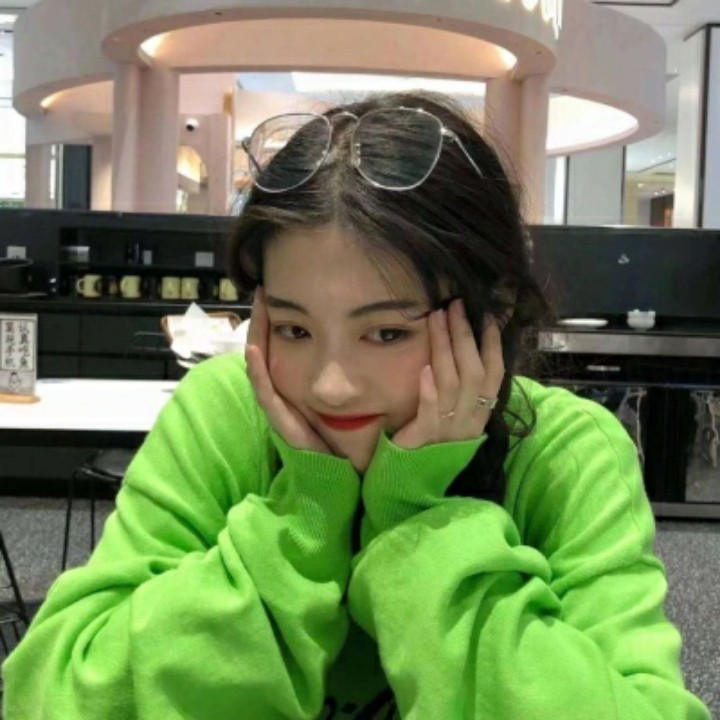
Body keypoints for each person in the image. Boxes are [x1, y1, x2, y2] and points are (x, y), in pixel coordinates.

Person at [3, 91, 711, 720]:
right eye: (294, 329)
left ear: (489, 317)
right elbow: (53, 695)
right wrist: (305, 516)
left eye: (387, 332)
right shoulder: (226, 412)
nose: (330, 387)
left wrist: (417, 522)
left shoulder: (564, 453)